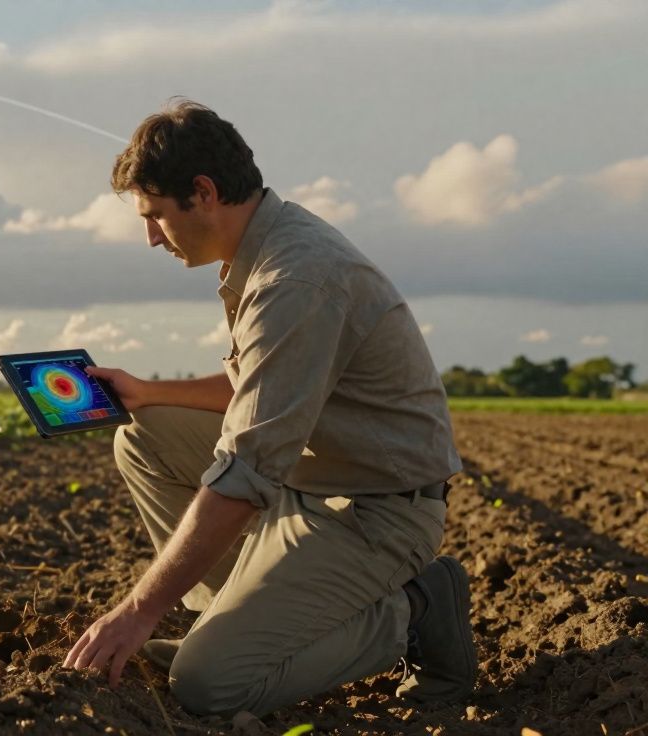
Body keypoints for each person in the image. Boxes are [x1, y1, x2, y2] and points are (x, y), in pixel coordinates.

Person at [62, 99, 476, 717]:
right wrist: (149, 391)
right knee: (143, 435)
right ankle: (235, 629)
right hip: (311, 483)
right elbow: (257, 389)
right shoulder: (265, 250)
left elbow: (247, 472)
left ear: (203, 193)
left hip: (374, 511)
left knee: (208, 687)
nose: (151, 237)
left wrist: (139, 610)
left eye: (155, 216)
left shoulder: (295, 279)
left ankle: (415, 610)